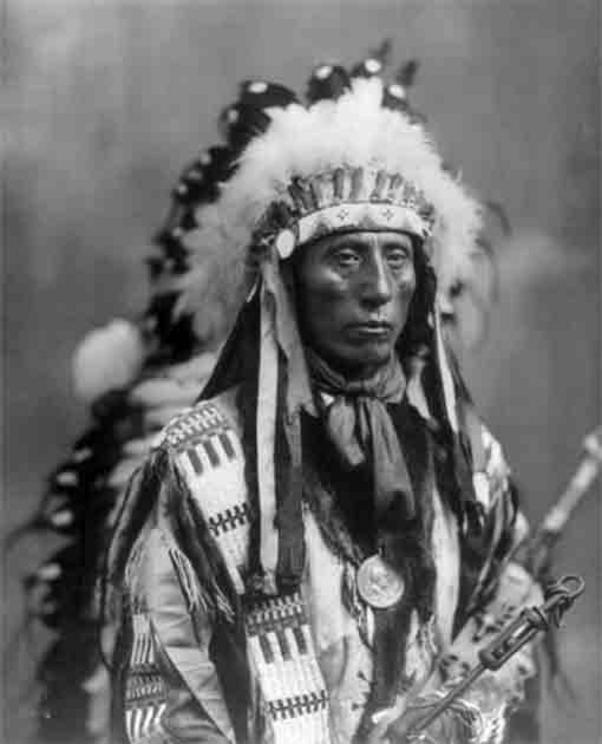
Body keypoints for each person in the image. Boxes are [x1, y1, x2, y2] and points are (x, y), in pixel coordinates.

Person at [97, 50, 541, 744]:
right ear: (289, 285)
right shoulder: (204, 467)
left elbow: (503, 616)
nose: (377, 287)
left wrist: (460, 715)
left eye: (396, 257)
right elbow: (165, 690)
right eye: (344, 258)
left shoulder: (466, 459)